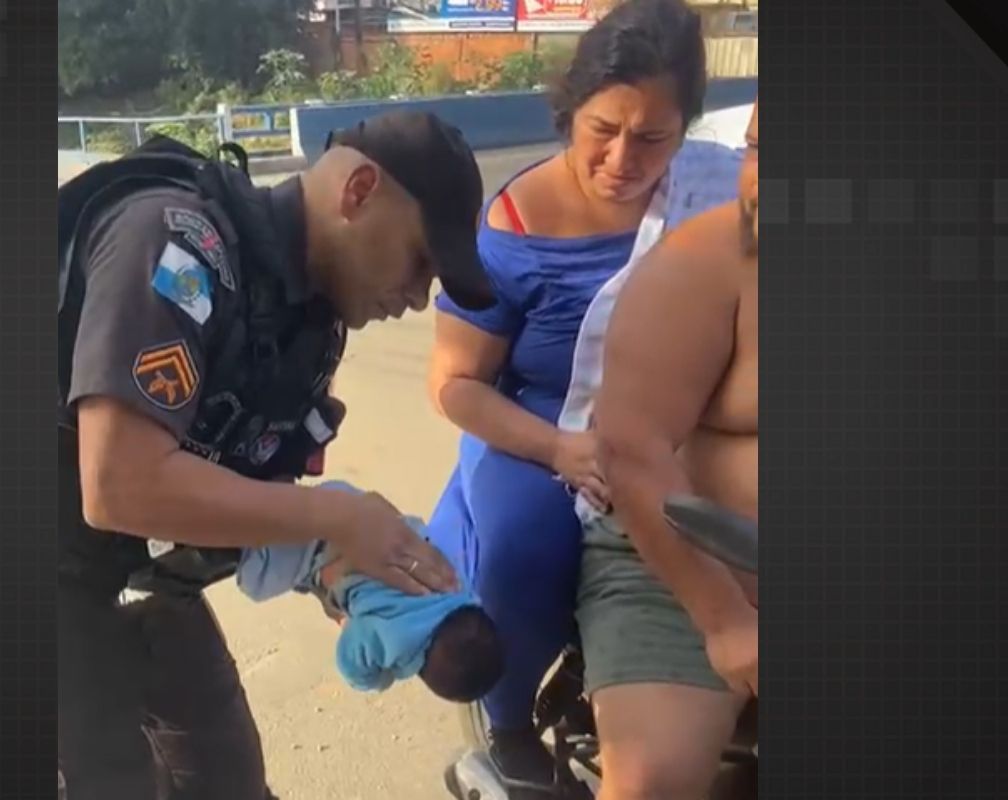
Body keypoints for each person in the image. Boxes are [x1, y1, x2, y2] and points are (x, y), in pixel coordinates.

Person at [56, 110, 496, 800]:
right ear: (359, 190)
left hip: (137, 569)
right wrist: (337, 519)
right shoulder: (175, 246)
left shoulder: (305, 321)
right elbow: (119, 484)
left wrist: (337, 570)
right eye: (420, 261)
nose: (418, 299)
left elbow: (242, 494)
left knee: (227, 778)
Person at [424, 0, 743, 791]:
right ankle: (506, 732)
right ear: (570, 110)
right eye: (604, 129)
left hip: (679, 415)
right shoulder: (513, 225)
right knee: (527, 546)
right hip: (540, 423)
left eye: (653, 138)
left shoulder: (716, 194)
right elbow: (455, 384)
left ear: (687, 131)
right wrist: (560, 449)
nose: (623, 159)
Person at [571, 101, 758, 800]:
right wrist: (727, 622)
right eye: (758, 150)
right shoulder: (700, 263)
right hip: (688, 573)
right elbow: (631, 450)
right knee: (653, 784)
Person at [235, 480, 505, 703]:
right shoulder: (396, 641)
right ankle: (235, 536)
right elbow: (351, 665)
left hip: (358, 509)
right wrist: (381, 678)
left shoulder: (458, 587)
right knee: (254, 580)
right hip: (313, 549)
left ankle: (266, 490)